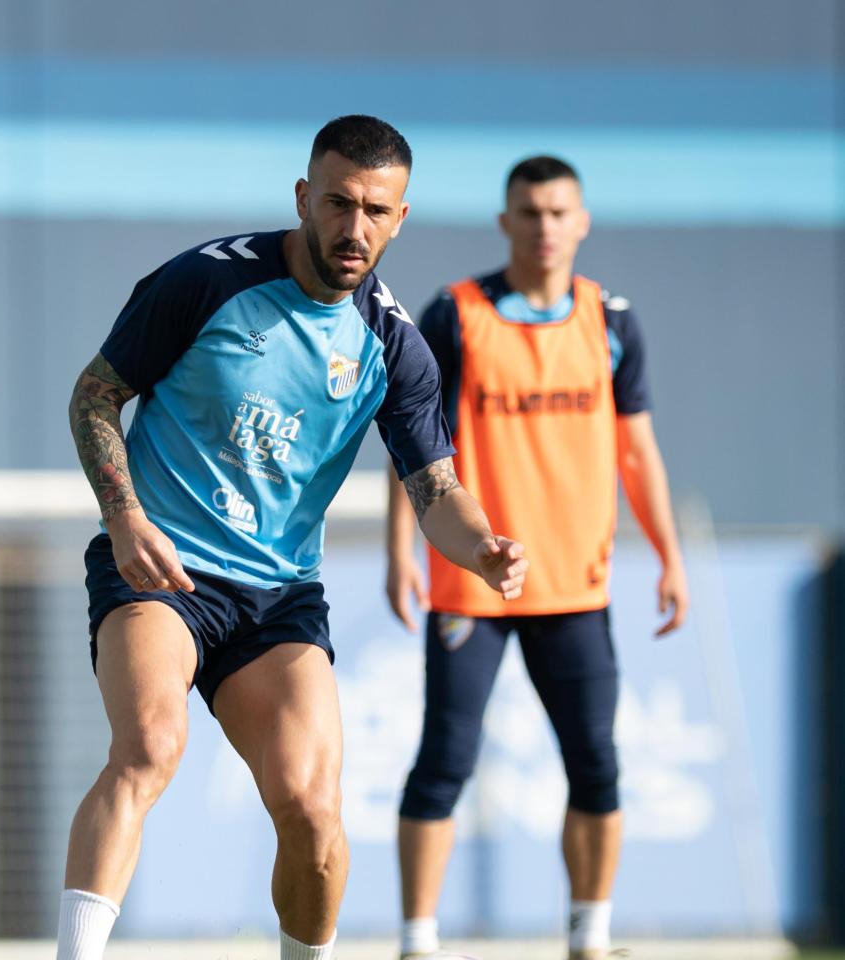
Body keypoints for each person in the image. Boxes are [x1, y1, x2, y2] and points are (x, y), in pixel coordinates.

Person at [57, 114, 529, 960]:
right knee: (150, 747)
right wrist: (124, 518)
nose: (355, 229)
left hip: (277, 599)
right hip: (161, 568)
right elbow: (95, 396)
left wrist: (484, 547)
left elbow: (438, 492)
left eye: (377, 211)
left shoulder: (394, 347)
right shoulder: (205, 281)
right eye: (340, 203)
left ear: (401, 218)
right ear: (305, 197)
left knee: (313, 813)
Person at [386, 155, 688, 960]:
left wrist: (669, 556)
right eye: (529, 211)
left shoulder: (610, 321)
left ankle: (590, 936)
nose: (545, 226)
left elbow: (639, 454)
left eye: (559, 212)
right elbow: (414, 447)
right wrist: (400, 552)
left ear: (581, 221)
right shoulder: (455, 315)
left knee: (596, 763)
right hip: (472, 579)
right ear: (505, 221)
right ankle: (418, 941)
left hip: (574, 584)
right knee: (443, 762)